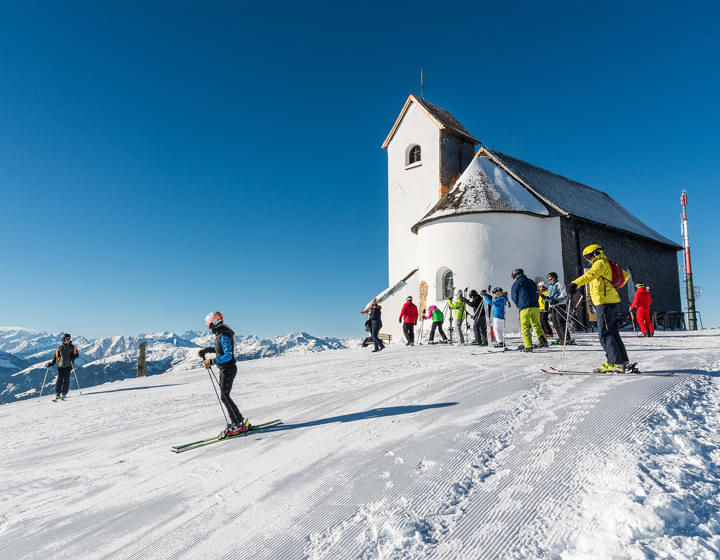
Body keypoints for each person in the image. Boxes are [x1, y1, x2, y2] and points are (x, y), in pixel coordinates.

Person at [568, 244, 633, 372]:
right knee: (612, 332)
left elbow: (589, 275)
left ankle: (615, 362)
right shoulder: (605, 263)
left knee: (605, 333)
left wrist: (574, 284)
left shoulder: (600, 263)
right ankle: (622, 360)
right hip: (609, 301)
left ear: (596, 253)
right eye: (585, 257)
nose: (587, 259)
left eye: (588, 256)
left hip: (604, 303)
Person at [199, 311, 250, 437]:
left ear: (213, 322)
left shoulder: (223, 335)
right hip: (224, 369)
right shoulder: (220, 334)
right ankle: (239, 422)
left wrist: (212, 361)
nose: (208, 326)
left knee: (225, 397)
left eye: (208, 324)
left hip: (228, 369)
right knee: (225, 396)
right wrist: (207, 350)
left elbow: (228, 355)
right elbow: (219, 350)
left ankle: (238, 424)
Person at [511, 269, 549, 352]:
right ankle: (543, 341)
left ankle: (528, 346)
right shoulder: (531, 281)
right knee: (536, 324)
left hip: (525, 307)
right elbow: (537, 292)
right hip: (535, 307)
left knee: (525, 327)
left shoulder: (517, 283)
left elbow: (514, 296)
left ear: (515, 276)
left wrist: (519, 304)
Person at [45, 333, 78, 400]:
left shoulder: (73, 347)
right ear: (63, 339)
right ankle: (57, 393)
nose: (68, 340)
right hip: (61, 366)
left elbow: (77, 355)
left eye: (69, 338)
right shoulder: (60, 348)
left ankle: (64, 393)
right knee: (59, 380)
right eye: (67, 339)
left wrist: (73, 358)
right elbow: (56, 357)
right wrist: (51, 363)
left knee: (66, 379)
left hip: (69, 365)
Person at [546, 272, 573, 344]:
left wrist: (557, 300)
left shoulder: (559, 284)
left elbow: (564, 294)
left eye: (551, 278)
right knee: (555, 323)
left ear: (555, 278)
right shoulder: (551, 286)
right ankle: (561, 338)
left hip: (560, 305)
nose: (550, 280)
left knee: (560, 322)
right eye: (548, 279)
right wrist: (547, 298)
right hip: (553, 306)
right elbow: (551, 297)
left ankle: (567, 338)